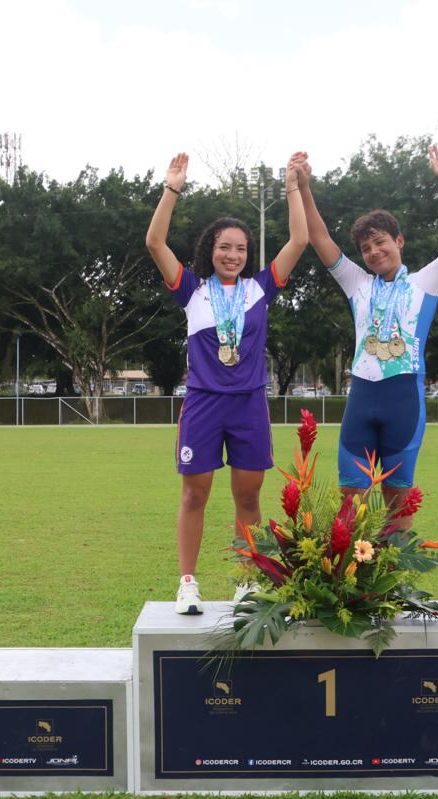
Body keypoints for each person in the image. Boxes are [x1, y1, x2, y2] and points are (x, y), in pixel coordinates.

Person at [145, 152, 308, 614]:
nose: (232, 255)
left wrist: (292, 187)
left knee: (248, 495)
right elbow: (155, 241)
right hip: (203, 403)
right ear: (210, 250)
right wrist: (172, 188)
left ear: (247, 253)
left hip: (249, 405)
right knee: (194, 493)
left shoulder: (261, 288)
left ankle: (246, 580)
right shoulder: (192, 290)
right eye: (224, 247)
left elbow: (299, 238)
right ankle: (188, 583)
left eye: (240, 248)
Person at [294, 144, 438, 515]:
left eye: (380, 242)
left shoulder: (426, 282)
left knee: (399, 507)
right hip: (361, 400)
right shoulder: (356, 284)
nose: (374, 252)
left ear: (399, 241)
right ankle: (354, 574)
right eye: (365, 248)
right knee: (351, 504)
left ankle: (396, 574)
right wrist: (304, 189)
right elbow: (320, 238)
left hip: (404, 401)